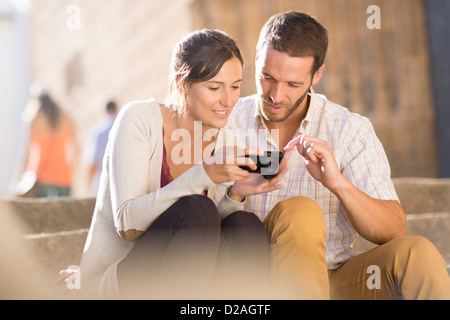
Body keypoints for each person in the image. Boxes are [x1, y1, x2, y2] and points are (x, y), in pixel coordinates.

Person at [225, 11, 450, 299]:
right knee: (300, 212)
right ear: (256, 58)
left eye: (293, 84)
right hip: (258, 283)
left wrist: (338, 183)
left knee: (417, 253)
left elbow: (393, 230)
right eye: (268, 78)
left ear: (316, 74)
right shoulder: (225, 122)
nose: (277, 95)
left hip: (337, 280)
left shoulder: (348, 129)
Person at [78, 29, 288, 299]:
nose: (228, 100)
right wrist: (205, 174)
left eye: (235, 86)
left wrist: (235, 195)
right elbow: (128, 225)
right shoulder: (140, 119)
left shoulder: (225, 141)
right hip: (122, 282)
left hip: (187, 281)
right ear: (181, 83)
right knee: (197, 208)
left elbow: (205, 235)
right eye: (215, 87)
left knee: (245, 225)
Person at [18, 89, 77, 198]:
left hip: (41, 174)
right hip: (64, 173)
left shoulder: (34, 119)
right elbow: (77, 148)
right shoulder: (66, 118)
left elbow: (28, 151)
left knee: (40, 213)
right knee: (64, 212)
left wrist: (20, 177)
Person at [84, 100, 118, 196]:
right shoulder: (124, 127)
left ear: (104, 111)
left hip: (102, 184)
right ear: (116, 110)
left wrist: (88, 188)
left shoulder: (97, 132)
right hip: (122, 184)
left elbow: (92, 163)